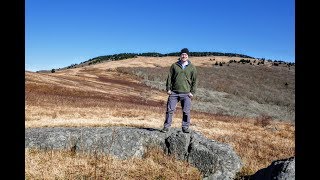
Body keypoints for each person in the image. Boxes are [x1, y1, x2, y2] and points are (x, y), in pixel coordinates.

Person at [161, 48, 198, 133]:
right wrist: (168, 89)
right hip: (174, 92)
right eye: (182, 54)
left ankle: (185, 127)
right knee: (169, 110)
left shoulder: (192, 68)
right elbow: (169, 77)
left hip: (186, 94)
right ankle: (166, 126)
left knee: (186, 111)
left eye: (185, 55)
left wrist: (192, 92)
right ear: (180, 55)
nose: (184, 56)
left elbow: (195, 80)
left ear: (188, 56)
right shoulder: (174, 66)